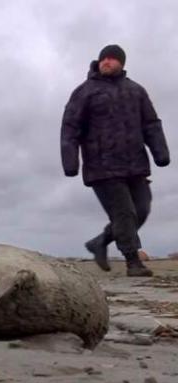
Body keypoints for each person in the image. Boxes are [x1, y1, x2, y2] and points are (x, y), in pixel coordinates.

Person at [61, 44, 170, 277]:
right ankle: (133, 261)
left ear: (121, 63)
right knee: (125, 213)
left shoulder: (136, 91)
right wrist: (71, 162)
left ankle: (100, 242)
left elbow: (151, 123)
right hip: (102, 166)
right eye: (103, 59)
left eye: (111, 59)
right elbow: (70, 128)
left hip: (136, 164)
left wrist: (160, 153)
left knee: (141, 209)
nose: (106, 62)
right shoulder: (85, 92)